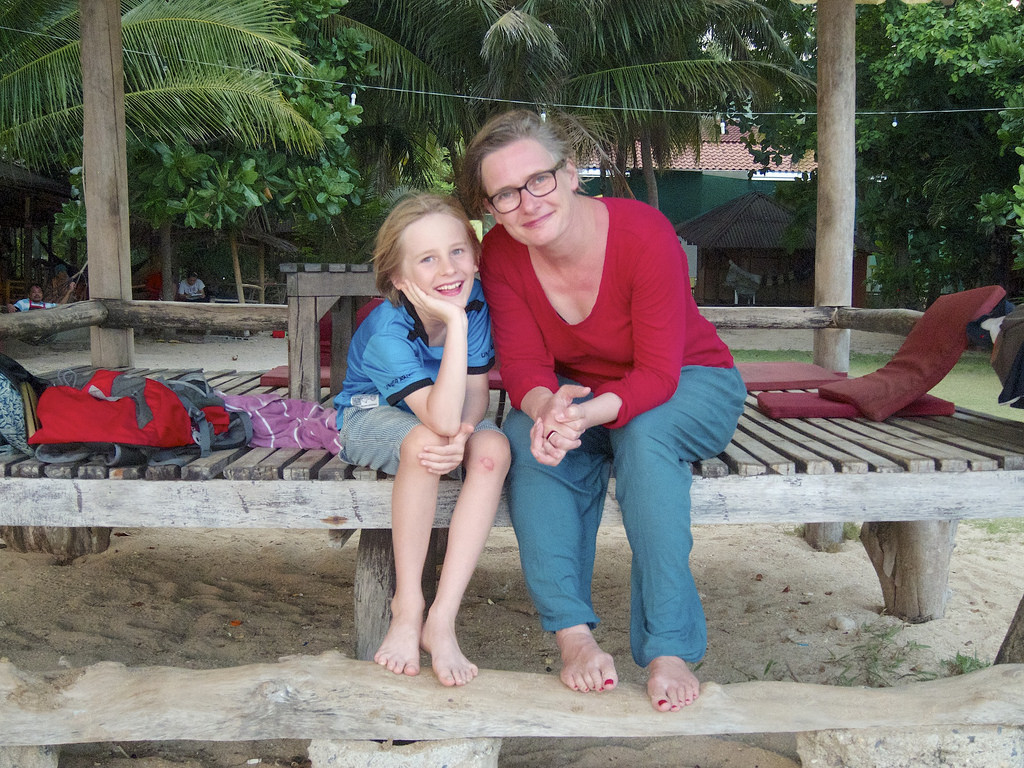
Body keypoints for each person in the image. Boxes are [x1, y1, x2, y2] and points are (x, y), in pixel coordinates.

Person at [462, 110, 746, 712]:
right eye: (505, 194)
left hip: (691, 381)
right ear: (491, 208)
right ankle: (574, 637)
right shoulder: (502, 255)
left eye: (538, 180)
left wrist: (587, 416)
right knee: (526, 436)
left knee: (643, 434)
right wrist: (547, 409)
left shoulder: (643, 233)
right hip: (581, 392)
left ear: (569, 173)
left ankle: (669, 647)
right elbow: (525, 367)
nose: (527, 203)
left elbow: (659, 375)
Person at [333, 193, 510, 686]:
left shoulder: (476, 304)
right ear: (398, 276)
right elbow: (436, 418)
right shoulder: (388, 330)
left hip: (444, 414)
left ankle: (442, 618)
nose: (448, 269)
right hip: (371, 415)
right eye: (427, 259)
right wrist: (453, 321)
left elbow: (474, 393)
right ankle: (407, 605)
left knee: (494, 452)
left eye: (457, 251)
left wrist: (468, 433)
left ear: (475, 255)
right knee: (424, 443)